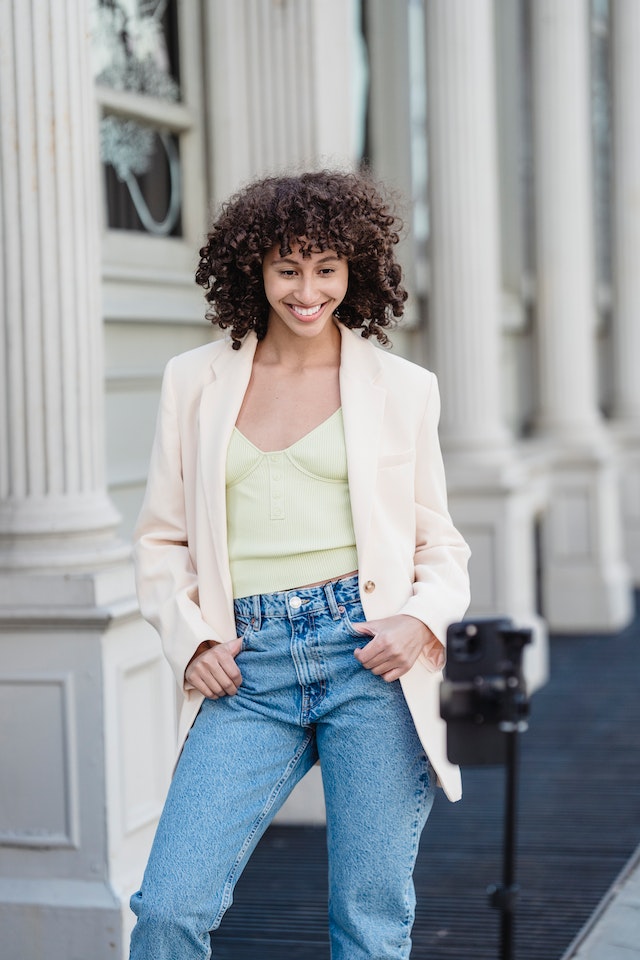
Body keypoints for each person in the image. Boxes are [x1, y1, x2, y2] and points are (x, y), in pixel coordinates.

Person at [129, 169, 471, 959]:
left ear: (356, 270)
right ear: (254, 268)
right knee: (169, 909)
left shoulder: (403, 389)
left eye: (326, 268)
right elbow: (159, 538)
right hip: (249, 670)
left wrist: (418, 622)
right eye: (287, 268)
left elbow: (439, 544)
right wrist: (194, 640)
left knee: (368, 922)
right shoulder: (194, 381)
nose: (306, 290)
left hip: (369, 662)